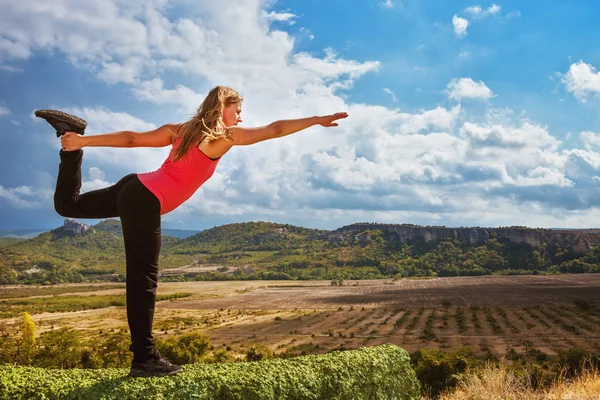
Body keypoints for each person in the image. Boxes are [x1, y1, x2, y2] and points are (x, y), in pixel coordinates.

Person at [36, 86, 348, 377]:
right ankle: (145, 358)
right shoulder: (222, 137)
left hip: (133, 186)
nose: (241, 117)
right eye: (238, 110)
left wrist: (82, 142)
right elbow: (276, 129)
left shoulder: (181, 130)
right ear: (223, 108)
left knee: (69, 205)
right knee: (143, 279)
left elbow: (132, 139)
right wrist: (317, 120)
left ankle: (69, 137)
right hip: (145, 199)